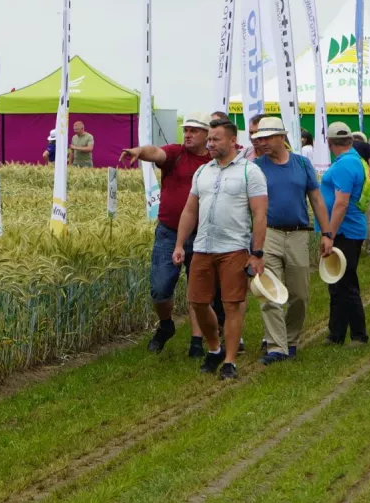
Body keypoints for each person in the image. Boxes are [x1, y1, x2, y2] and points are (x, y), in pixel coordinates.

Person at [172, 118, 268, 380]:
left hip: (234, 248)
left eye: (215, 139)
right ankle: (214, 348)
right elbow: (191, 210)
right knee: (198, 302)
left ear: (232, 141)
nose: (210, 144)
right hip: (202, 247)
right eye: (210, 139)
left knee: (232, 304)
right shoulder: (203, 172)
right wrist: (180, 244)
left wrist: (256, 253)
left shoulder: (250, 172)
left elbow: (260, 215)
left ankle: (229, 361)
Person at [119, 111, 213, 357]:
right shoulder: (176, 153)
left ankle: (196, 342)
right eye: (186, 130)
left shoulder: (214, 161)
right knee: (160, 289)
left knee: (198, 289)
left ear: (207, 135)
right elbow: (156, 153)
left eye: (194, 130)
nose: (188, 134)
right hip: (169, 233)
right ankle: (166, 324)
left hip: (204, 233)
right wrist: (139, 151)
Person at [251, 117, 333, 364]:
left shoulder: (302, 164)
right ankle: (276, 347)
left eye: (266, 138)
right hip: (269, 234)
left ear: (281, 137)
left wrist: (327, 234)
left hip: (299, 233)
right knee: (270, 291)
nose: (261, 143)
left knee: (299, 294)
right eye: (258, 139)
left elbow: (317, 200)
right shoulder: (256, 167)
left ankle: (291, 339)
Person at [319, 122, 369, 345]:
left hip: (344, 232)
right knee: (337, 283)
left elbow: (341, 203)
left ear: (329, 143)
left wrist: (329, 234)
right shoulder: (352, 160)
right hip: (346, 230)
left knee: (346, 283)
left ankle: (358, 334)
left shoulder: (344, 165)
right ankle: (336, 333)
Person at [352, 130, 370, 254]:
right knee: (369, 217)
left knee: (352, 217)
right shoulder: (366, 146)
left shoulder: (346, 147)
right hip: (364, 188)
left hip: (349, 187)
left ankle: (355, 248)